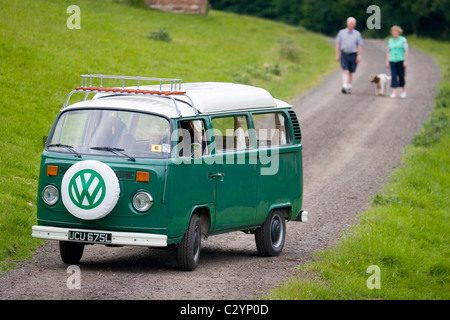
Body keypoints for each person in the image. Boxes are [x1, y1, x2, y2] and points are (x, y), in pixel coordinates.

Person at [335, 17, 363, 94]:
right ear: (347, 23)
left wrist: (358, 56)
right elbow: (338, 44)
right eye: (350, 23)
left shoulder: (357, 34)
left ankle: (349, 86)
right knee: (346, 70)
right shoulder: (341, 33)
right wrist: (337, 55)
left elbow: (359, 45)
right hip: (344, 54)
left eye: (353, 23)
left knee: (351, 71)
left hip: (353, 54)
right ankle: (344, 85)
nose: (351, 25)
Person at [386, 25, 408, 98]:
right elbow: (388, 51)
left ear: (399, 32)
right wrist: (387, 61)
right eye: (393, 31)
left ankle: (403, 91)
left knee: (401, 76)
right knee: (393, 76)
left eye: (396, 31)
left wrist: (405, 60)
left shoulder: (403, 40)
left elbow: (406, 51)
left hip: (400, 60)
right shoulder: (390, 41)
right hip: (392, 60)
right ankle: (394, 92)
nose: (395, 33)